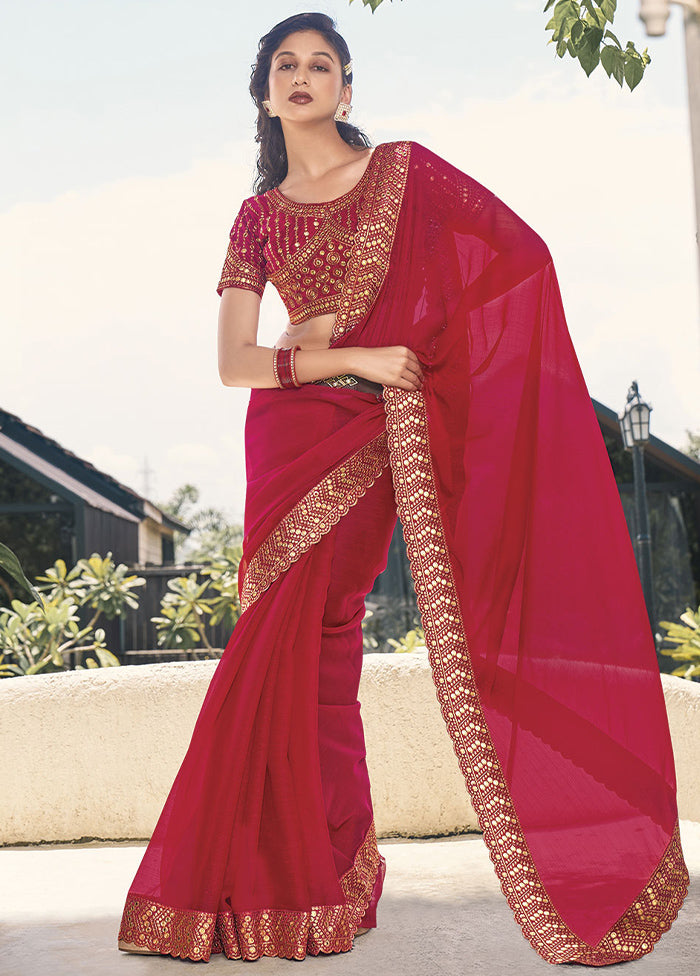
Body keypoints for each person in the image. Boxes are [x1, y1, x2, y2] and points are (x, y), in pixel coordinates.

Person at [117, 11, 690, 966]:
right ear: (263, 92)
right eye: (285, 66)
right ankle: (319, 881)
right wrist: (348, 351)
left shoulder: (406, 174)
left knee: (321, 641)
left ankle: (302, 877)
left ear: (349, 87)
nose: (302, 78)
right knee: (294, 649)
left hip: (371, 440)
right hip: (288, 437)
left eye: (321, 65)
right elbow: (233, 365)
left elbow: (520, 260)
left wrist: (398, 352)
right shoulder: (257, 216)